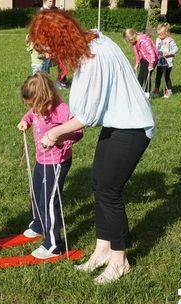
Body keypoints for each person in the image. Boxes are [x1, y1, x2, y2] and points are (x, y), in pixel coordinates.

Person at [28, 10, 155, 284]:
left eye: (46, 46)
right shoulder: (93, 43)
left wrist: (54, 133)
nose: (45, 54)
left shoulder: (93, 57)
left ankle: (120, 261)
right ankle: (102, 251)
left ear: (59, 39)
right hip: (118, 123)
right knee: (98, 185)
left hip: (133, 126)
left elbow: (87, 116)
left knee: (110, 191)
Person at [17, 72, 83, 259]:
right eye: (32, 107)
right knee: (36, 194)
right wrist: (25, 121)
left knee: (48, 201)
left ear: (47, 98)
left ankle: (54, 245)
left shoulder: (61, 109)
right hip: (41, 159)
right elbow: (30, 114)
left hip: (57, 162)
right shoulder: (37, 109)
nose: (35, 111)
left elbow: (78, 131)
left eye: (37, 107)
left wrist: (59, 138)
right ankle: (38, 225)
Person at [123, 28, 158, 97]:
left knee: (146, 76)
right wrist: (137, 63)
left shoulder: (144, 41)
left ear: (133, 36)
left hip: (152, 59)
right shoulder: (135, 42)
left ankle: (146, 93)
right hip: (144, 58)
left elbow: (152, 53)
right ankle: (138, 91)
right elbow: (137, 54)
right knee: (140, 76)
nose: (130, 42)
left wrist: (151, 65)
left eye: (130, 40)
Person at [153, 23, 178, 98]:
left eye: (161, 35)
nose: (159, 36)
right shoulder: (158, 39)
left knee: (166, 76)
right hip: (160, 61)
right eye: (158, 34)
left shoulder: (170, 40)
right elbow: (156, 48)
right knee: (158, 76)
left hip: (167, 62)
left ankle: (169, 91)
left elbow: (176, 49)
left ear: (166, 33)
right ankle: (156, 89)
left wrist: (169, 53)